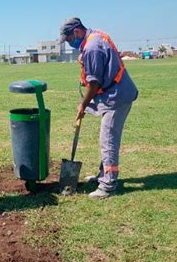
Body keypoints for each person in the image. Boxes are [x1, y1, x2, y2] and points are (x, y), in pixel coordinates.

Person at [59, 18, 139, 199]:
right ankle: (103, 176)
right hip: (116, 92)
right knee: (107, 138)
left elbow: (94, 84)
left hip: (118, 97)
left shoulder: (92, 47)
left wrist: (83, 105)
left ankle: (108, 185)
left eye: (69, 39)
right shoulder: (95, 36)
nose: (70, 43)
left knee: (108, 139)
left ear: (77, 32)